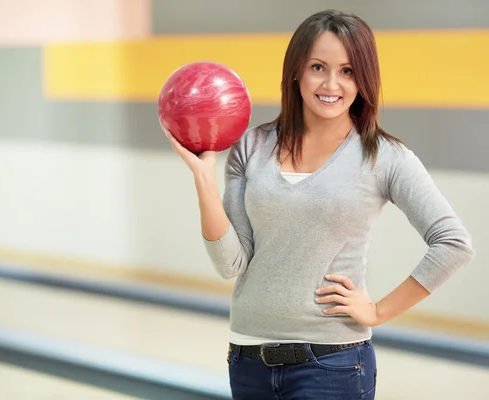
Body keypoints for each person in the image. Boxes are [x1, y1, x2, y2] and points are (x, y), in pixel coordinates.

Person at [163, 9, 475, 400]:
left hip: (333, 364)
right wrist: (203, 178)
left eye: (348, 71)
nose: (331, 84)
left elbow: (453, 242)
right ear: (296, 71)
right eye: (318, 67)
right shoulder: (253, 146)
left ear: (365, 79)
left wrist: (378, 311)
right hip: (248, 359)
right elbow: (231, 264)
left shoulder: (385, 156)